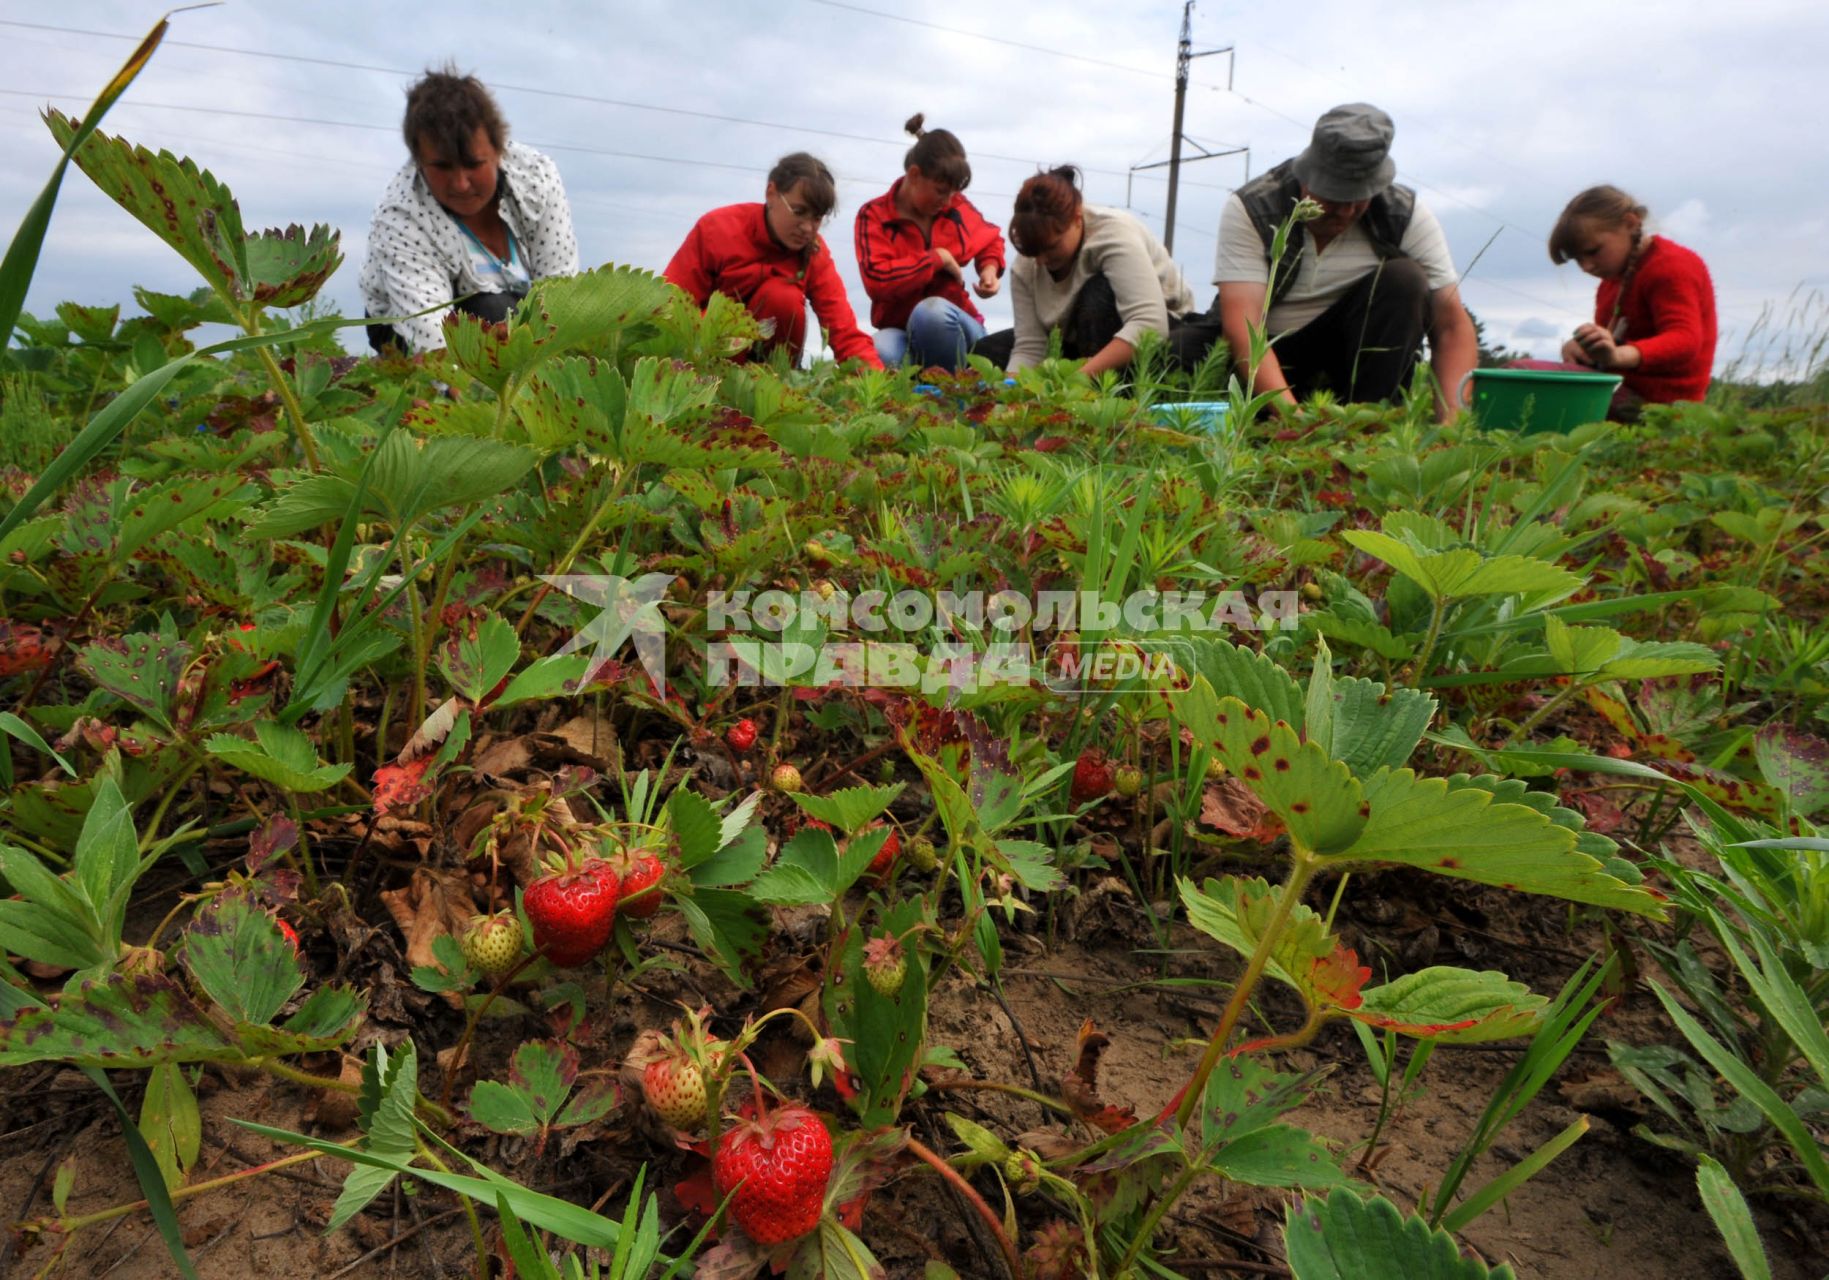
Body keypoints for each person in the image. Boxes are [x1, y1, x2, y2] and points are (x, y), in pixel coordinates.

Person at [1214, 102, 1475, 420]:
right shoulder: (1254, 207)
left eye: (1358, 199)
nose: (1346, 211)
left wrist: (1452, 423)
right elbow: (1244, 324)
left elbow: (1451, 324)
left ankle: (1367, 422)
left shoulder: (1403, 213)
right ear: (1307, 177)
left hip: (1349, 356)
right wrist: (1293, 418)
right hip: (1275, 353)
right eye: (1334, 198)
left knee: (1404, 280)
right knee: (1184, 347)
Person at [359, 68, 579, 354]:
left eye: (474, 164)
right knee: (492, 312)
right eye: (442, 166)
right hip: (407, 322)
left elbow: (559, 290)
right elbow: (431, 340)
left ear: (498, 151)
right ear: (418, 160)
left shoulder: (538, 178)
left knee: (519, 320)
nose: (461, 184)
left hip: (511, 307)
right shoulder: (400, 216)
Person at [977, 166, 1217, 376]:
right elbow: (1030, 346)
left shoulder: (1113, 234)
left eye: (1050, 247)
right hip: (1076, 342)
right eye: (1033, 252)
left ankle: (1105, 400)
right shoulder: (1026, 264)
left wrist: (1076, 381)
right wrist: (1011, 393)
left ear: (1077, 218)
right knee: (989, 352)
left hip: (1160, 336)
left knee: (1097, 295)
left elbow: (1149, 324)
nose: (1040, 261)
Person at [663, 153, 882, 369]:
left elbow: (844, 331)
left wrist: (879, 387)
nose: (807, 228)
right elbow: (669, 303)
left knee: (782, 297)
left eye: (816, 218)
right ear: (771, 193)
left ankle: (776, 383)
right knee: (718, 316)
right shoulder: (717, 229)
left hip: (768, 372)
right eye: (799, 212)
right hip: (703, 359)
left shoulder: (814, 252)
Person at [853, 114, 1006, 370]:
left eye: (953, 193)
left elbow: (990, 238)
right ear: (914, 175)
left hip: (958, 329)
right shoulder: (875, 215)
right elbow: (877, 280)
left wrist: (989, 269)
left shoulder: (955, 208)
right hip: (900, 331)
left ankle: (952, 396)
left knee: (931, 314)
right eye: (940, 191)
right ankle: (916, 398)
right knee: (878, 352)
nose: (946, 202)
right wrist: (937, 258)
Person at [1547, 185, 1716, 407]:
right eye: (1578, 259)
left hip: (1663, 404)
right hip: (1622, 390)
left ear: (1630, 223)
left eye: (1593, 251)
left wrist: (1616, 356)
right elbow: (1609, 347)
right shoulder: (1612, 283)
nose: (1586, 267)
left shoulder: (1671, 265)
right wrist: (1583, 349)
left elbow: (1685, 340)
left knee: (1524, 375)